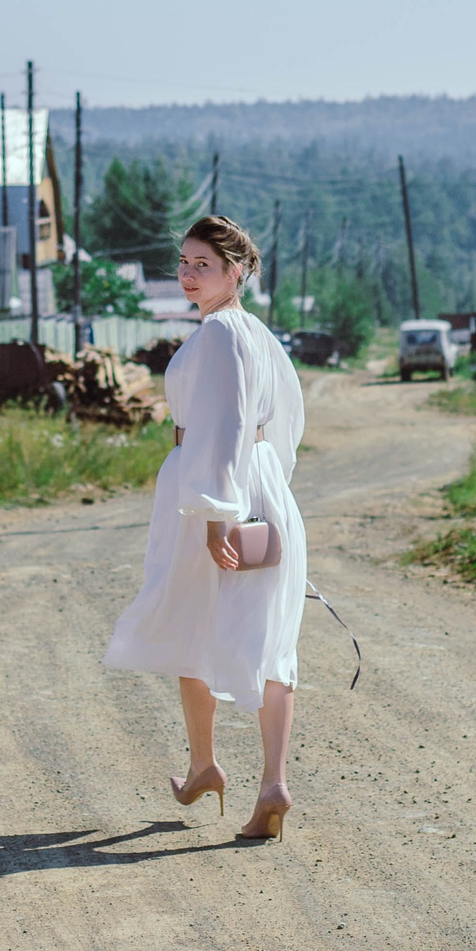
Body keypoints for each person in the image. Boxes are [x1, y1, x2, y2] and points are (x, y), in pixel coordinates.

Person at [103, 214, 307, 840]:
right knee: (270, 639)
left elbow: (221, 426)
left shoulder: (218, 333)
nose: (189, 275)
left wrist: (218, 516)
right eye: (185, 263)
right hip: (261, 486)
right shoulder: (257, 333)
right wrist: (269, 491)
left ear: (234, 272)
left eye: (204, 266)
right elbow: (287, 421)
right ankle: (271, 783)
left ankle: (204, 766)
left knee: (194, 624)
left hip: (215, 495)